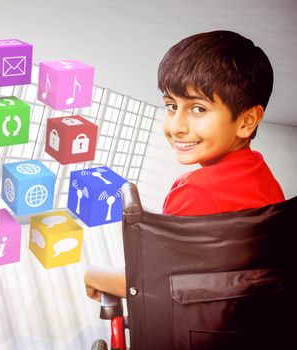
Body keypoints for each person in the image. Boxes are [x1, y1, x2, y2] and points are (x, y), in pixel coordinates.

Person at [84, 30, 285, 301]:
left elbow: (148, 285)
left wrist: (92, 275)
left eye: (198, 109)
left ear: (248, 120)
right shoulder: (261, 175)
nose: (176, 126)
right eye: (171, 105)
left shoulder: (194, 191)